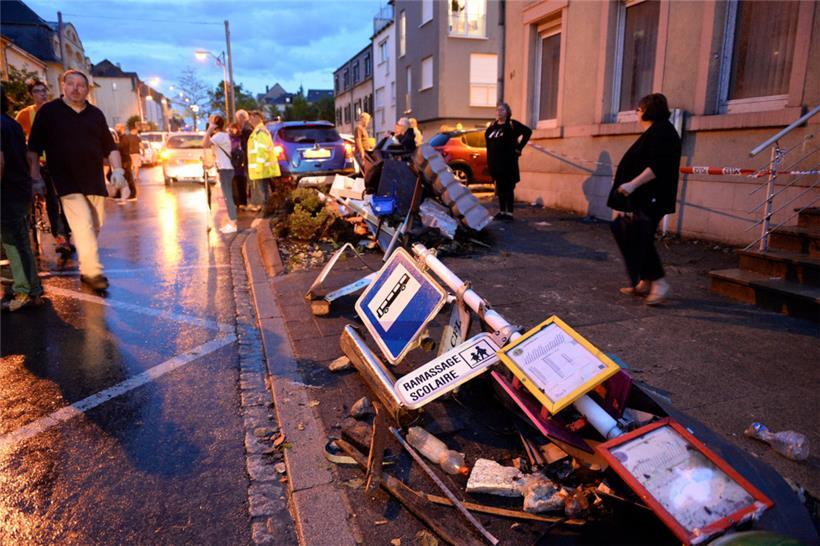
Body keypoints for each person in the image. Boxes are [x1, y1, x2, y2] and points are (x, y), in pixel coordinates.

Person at [28, 70, 127, 291]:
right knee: (83, 224)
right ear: (63, 86)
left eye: (81, 85)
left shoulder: (95, 114)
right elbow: (33, 149)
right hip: (65, 181)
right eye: (70, 84)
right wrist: (35, 178)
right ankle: (93, 272)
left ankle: (86, 266)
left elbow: (110, 147)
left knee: (95, 224)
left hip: (93, 180)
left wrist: (118, 170)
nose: (75, 88)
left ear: (87, 89)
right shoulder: (49, 112)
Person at [607, 93, 681, 306]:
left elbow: (658, 166)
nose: (636, 114)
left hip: (653, 196)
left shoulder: (662, 132)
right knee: (637, 235)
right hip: (645, 197)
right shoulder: (655, 131)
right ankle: (644, 281)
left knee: (641, 237)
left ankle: (659, 282)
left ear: (649, 111)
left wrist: (632, 184)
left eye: (639, 110)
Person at [16, 78, 74, 257]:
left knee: (67, 199)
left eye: (44, 90)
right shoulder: (25, 115)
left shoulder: (57, 111)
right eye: (37, 91)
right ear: (31, 95)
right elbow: (17, 137)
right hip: (39, 164)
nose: (42, 94)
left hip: (60, 162)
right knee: (52, 201)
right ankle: (60, 237)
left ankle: (66, 233)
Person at [1, 85, 44, 311]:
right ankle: (28, 290)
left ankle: (25, 291)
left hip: (6, 194)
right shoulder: (12, 124)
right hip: (18, 190)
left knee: (14, 244)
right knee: (18, 243)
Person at [485, 102, 531, 221]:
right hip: (496, 164)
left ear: (507, 113)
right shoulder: (492, 128)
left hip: (508, 163)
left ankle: (509, 213)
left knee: (508, 187)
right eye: (498, 110)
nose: (499, 112)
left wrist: (519, 148)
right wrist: (490, 163)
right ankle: (502, 211)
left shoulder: (512, 125)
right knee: (500, 188)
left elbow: (527, 132)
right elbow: (488, 146)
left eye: (502, 110)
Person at [203, 114, 238, 233]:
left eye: (211, 121)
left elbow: (204, 143)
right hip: (227, 168)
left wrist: (209, 130)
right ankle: (231, 221)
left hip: (225, 170)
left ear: (215, 124)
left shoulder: (218, 136)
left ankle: (233, 224)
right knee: (228, 196)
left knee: (228, 197)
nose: (209, 122)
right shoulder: (225, 135)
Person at [246, 110, 279, 212]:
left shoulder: (260, 132)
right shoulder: (258, 131)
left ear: (257, 118)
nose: (249, 120)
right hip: (263, 168)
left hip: (262, 169)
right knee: (265, 191)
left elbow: (262, 151)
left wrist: (258, 167)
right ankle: (267, 212)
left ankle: (267, 214)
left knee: (264, 193)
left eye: (250, 117)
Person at [114, 123, 137, 202]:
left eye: (117, 127)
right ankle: (118, 194)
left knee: (129, 178)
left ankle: (133, 194)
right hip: (121, 161)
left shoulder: (125, 138)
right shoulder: (120, 138)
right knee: (119, 177)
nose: (116, 129)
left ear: (122, 128)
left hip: (126, 161)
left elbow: (121, 147)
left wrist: (115, 144)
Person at [228, 122, 248, 209]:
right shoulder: (228, 138)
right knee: (233, 185)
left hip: (240, 166)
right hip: (232, 165)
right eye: (231, 128)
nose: (233, 130)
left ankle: (243, 202)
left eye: (234, 128)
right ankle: (235, 203)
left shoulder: (241, 138)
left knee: (241, 184)